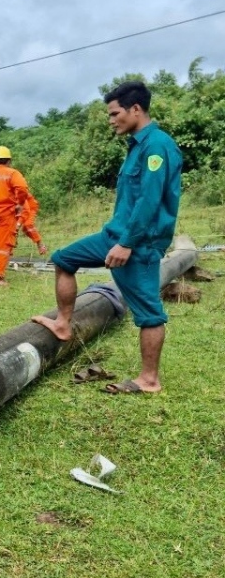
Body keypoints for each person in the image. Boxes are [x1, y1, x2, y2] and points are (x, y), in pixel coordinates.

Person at [33, 81, 182, 395]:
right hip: (113, 235)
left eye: (115, 113)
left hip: (138, 243)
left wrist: (127, 244)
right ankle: (63, 323)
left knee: (148, 312)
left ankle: (149, 380)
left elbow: (150, 202)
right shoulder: (137, 145)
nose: (111, 120)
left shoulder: (157, 146)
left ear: (136, 109)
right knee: (63, 259)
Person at [0, 146, 48, 286]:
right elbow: (22, 188)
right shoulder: (12, 173)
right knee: (3, 245)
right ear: (8, 161)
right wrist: (19, 203)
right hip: (7, 215)